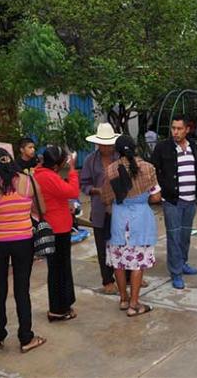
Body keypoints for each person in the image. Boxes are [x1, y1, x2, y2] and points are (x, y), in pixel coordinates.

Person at [0, 148, 47, 353]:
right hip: (23, 241)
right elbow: (42, 210)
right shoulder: (29, 182)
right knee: (22, 288)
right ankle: (26, 337)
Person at [102, 135, 161, 316]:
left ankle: (123, 299)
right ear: (135, 148)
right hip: (141, 219)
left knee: (119, 263)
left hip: (119, 220)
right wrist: (141, 200)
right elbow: (157, 197)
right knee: (138, 263)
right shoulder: (148, 168)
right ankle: (134, 304)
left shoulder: (111, 170)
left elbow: (106, 198)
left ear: (117, 150)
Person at [150, 115, 197, 289]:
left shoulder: (192, 146)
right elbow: (153, 170)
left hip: (190, 200)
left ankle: (183, 263)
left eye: (179, 128)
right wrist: (160, 191)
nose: (175, 132)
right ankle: (176, 272)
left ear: (187, 129)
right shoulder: (162, 148)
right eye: (173, 128)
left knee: (185, 236)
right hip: (172, 201)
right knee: (174, 237)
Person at [34, 146, 79, 322]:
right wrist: (73, 170)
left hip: (55, 225)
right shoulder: (48, 177)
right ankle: (58, 309)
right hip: (58, 228)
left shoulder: (39, 173)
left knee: (58, 269)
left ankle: (62, 305)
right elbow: (73, 191)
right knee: (59, 270)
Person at [80, 123, 121, 294]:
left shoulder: (120, 157)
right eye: (103, 145)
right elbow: (84, 184)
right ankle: (107, 280)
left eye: (109, 144)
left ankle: (127, 277)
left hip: (120, 207)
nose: (107, 148)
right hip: (99, 209)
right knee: (102, 246)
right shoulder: (91, 160)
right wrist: (97, 190)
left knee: (121, 243)